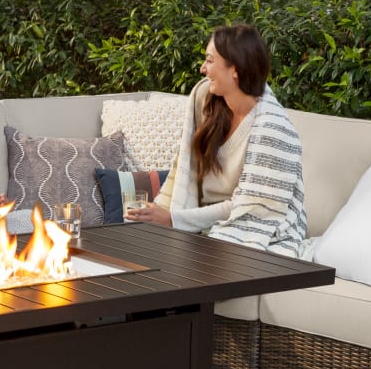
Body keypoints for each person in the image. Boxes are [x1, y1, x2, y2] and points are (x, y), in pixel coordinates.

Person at [125, 24, 308, 256]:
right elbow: (182, 168)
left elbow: (248, 210)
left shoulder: (272, 128)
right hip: (197, 222)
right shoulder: (205, 99)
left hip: (248, 229)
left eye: (210, 61)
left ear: (235, 69)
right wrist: (157, 214)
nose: (203, 69)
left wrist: (173, 220)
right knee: (134, 247)